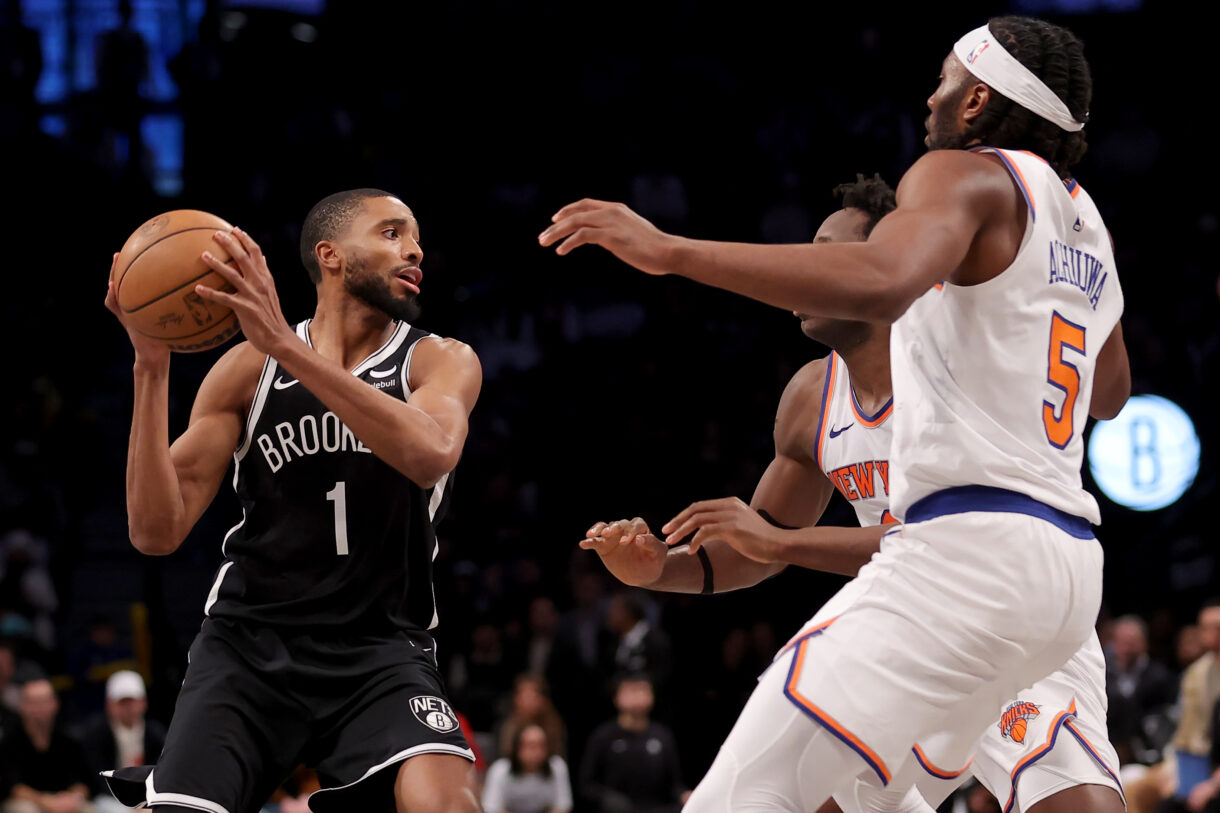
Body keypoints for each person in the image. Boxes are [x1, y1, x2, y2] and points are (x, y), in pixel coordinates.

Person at [543, 15, 1130, 811]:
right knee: (861, 794)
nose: (931, 96)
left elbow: (885, 279)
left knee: (743, 793)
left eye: (946, 79)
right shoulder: (1084, 219)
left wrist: (672, 252)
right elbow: (1109, 392)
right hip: (1066, 568)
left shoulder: (956, 175)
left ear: (977, 100)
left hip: (961, 557)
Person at [101, 188, 483, 812]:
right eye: (390, 233)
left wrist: (286, 346)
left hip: (379, 648)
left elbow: (431, 452)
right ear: (329, 255)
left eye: (415, 237)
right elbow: (155, 531)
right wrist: (151, 367)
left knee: (448, 804)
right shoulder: (245, 371)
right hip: (250, 644)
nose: (414, 249)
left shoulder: (436, 360)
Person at [577, 674, 687, 813]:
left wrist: (683, 795)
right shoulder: (603, 736)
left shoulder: (662, 736)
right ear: (616, 697)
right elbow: (586, 785)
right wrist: (608, 798)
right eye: (630, 690)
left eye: (643, 689)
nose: (637, 695)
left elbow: (674, 784)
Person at [0, 679, 96, 813]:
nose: (40, 707)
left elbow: (84, 781)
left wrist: (74, 797)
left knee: (88, 809)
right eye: (34, 702)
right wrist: (46, 802)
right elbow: (13, 787)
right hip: (28, 802)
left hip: (64, 799)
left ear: (55, 703)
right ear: (22, 705)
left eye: (45, 701)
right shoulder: (9, 743)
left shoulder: (69, 741)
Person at [80, 671, 166, 813]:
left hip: (148, 796)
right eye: (122, 702)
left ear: (143, 702)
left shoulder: (155, 733)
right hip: (109, 798)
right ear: (110, 704)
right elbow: (97, 776)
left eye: (132, 701)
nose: (128, 708)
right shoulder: (96, 734)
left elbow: (161, 771)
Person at [481, 724, 572, 813]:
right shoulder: (500, 769)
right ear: (517, 748)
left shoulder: (557, 766)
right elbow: (491, 807)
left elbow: (563, 806)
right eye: (531, 746)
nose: (537, 752)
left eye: (542, 745)